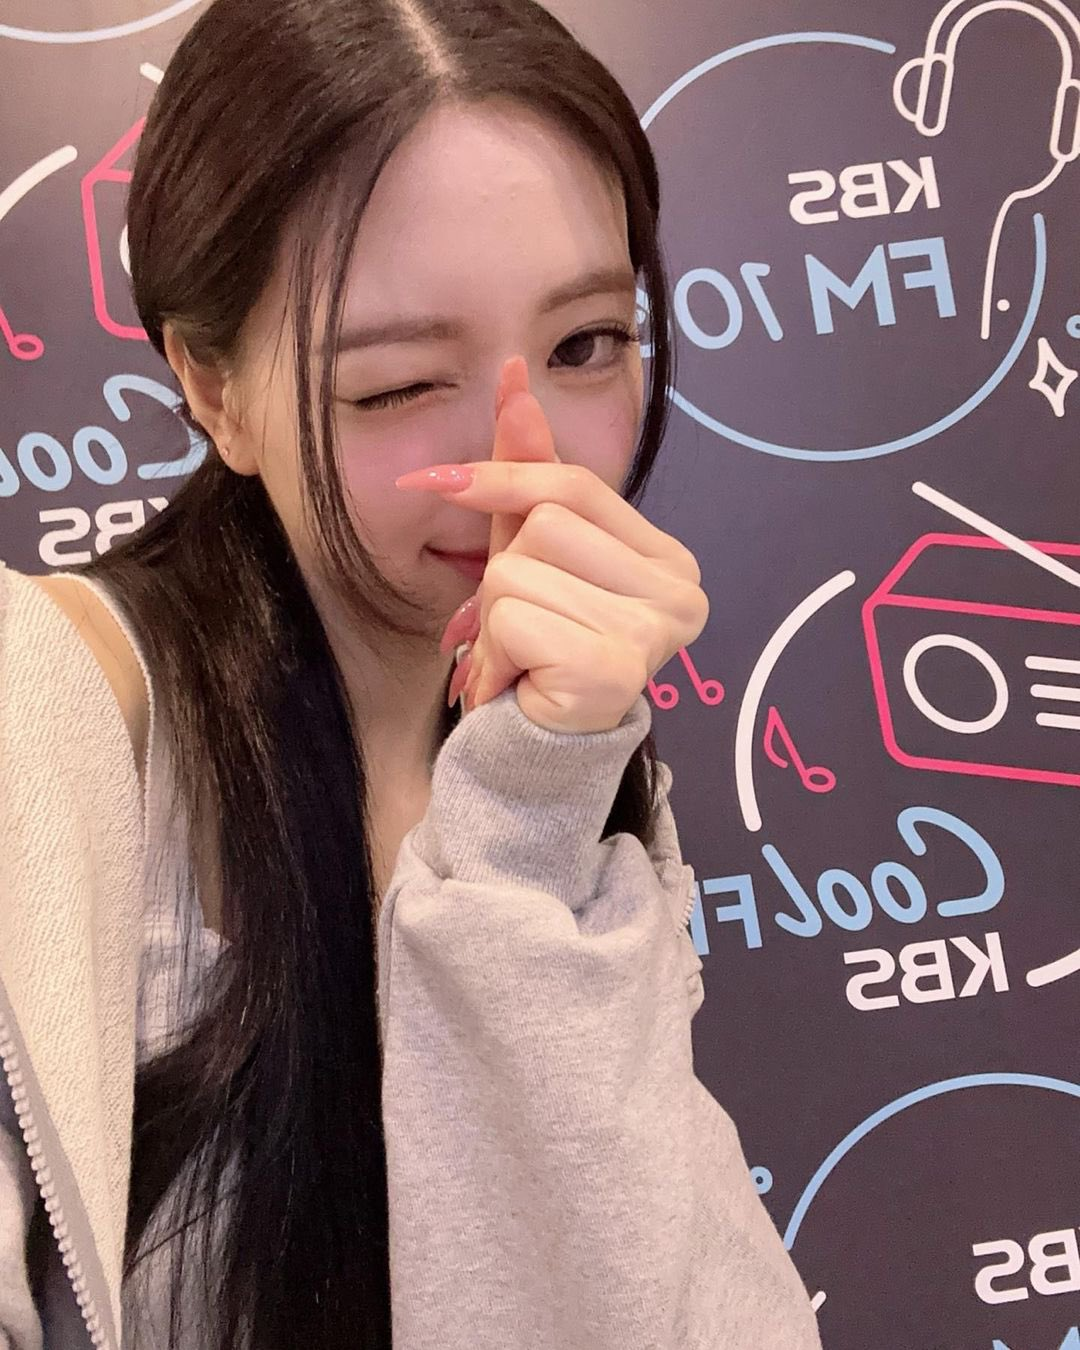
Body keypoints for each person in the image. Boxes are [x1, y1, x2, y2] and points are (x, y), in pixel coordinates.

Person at [0, 0, 824, 1346]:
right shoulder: (39, 726)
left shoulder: (566, 737)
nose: (525, 461)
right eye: (394, 387)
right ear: (213, 389)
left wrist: (538, 799)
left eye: (587, 345)